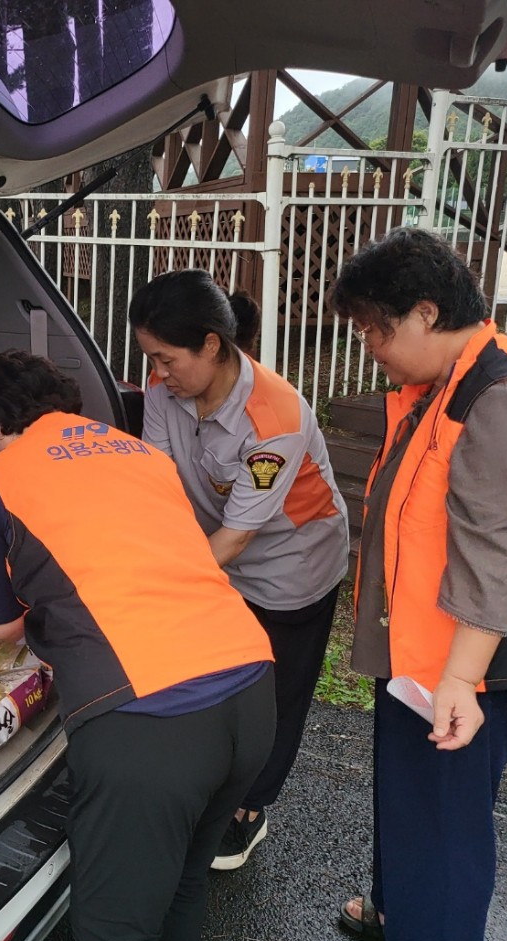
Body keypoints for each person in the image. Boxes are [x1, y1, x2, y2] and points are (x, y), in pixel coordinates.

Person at [327, 227, 507, 941]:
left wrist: (458, 678)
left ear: (425, 312)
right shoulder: (448, 383)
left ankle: (432, 940)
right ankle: (397, 914)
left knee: (442, 829)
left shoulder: (500, 397)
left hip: (467, 665)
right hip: (427, 653)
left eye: (374, 329)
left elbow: (499, 548)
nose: (369, 346)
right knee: (413, 804)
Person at [0, 349, 276, 941]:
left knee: (114, 934)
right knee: (183, 884)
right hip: (249, 687)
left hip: (151, 723)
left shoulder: (0, 476)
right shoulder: (141, 454)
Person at [129, 271, 350, 870]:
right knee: (216, 674)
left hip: (292, 565)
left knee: (276, 693)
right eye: (151, 359)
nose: (158, 373)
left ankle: (250, 810)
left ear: (211, 344)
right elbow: (160, 484)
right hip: (217, 553)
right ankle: (212, 781)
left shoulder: (275, 419)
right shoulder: (164, 391)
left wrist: (157, 586)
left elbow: (237, 535)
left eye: (166, 358)